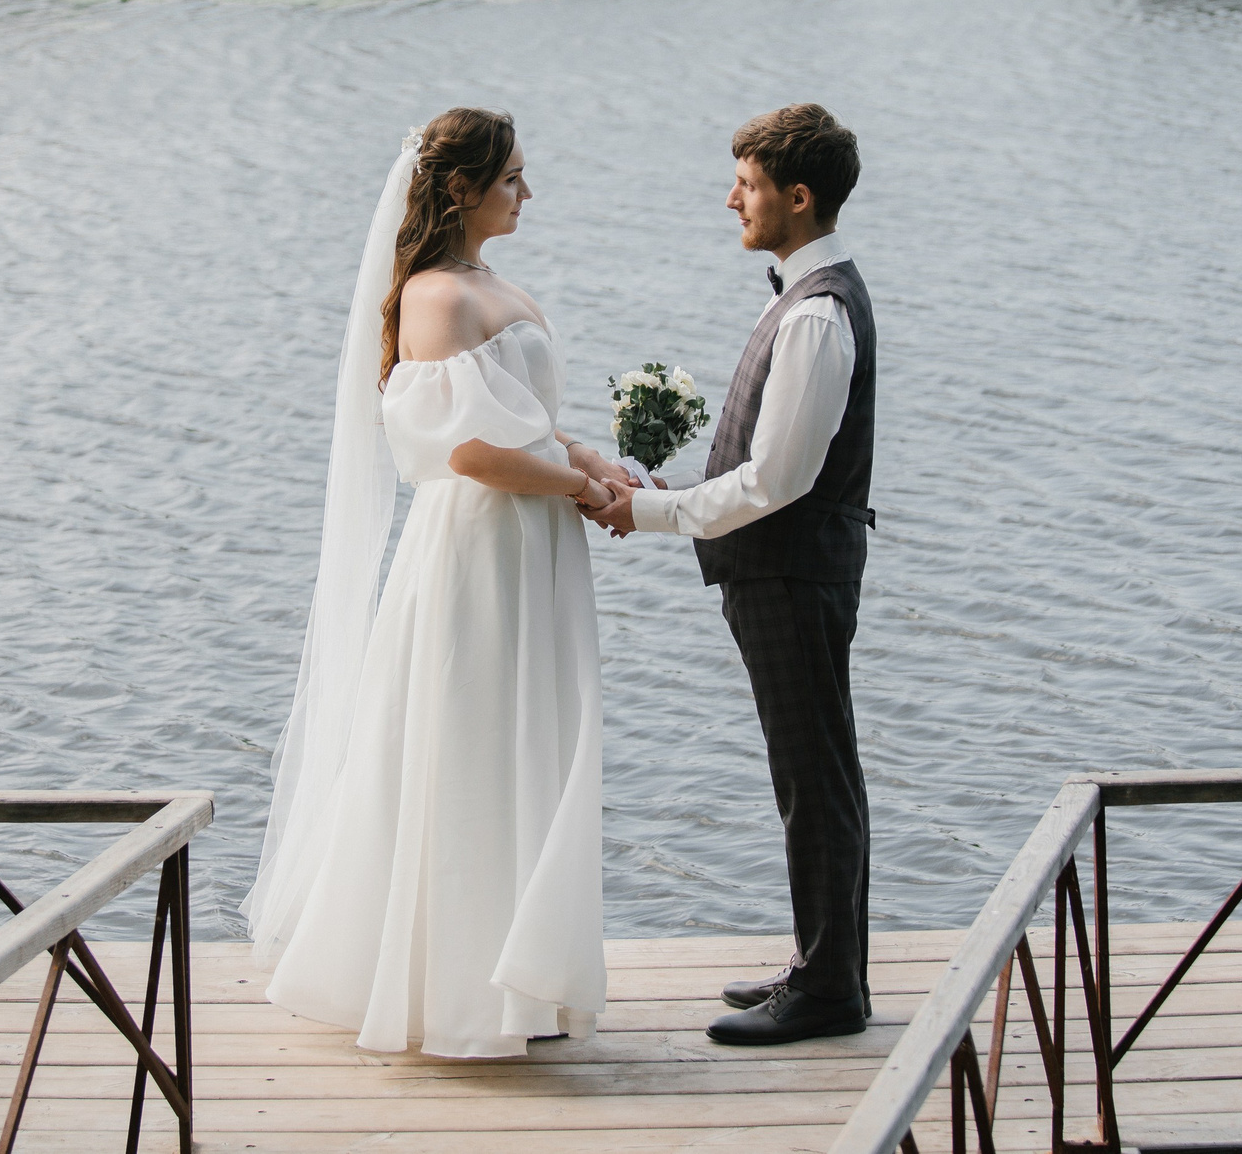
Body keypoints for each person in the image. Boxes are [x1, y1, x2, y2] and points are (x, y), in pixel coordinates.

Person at [245, 109, 636, 1057]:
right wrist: (581, 485)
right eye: (511, 178)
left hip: (530, 543)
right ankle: (452, 990)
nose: (527, 193)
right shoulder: (435, 298)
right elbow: (468, 449)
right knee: (468, 748)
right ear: (459, 188)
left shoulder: (484, 282)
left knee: (525, 742)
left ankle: (522, 981)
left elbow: (522, 422)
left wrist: (592, 457)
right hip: (479, 552)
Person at [590, 103, 877, 1046]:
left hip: (795, 575)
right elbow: (761, 466)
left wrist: (654, 511)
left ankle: (832, 990)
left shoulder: (821, 314)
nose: (730, 199)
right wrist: (679, 489)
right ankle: (819, 959)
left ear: (798, 197)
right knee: (810, 773)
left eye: (746, 186)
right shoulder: (796, 295)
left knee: (815, 775)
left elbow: (781, 481)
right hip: (782, 573)